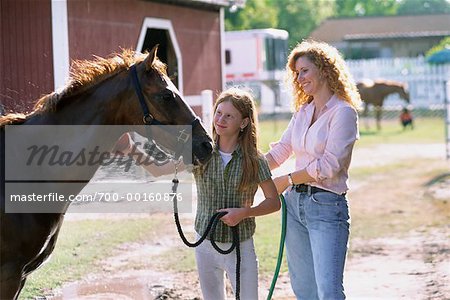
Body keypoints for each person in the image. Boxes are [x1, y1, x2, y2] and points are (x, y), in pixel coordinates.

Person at [115, 87, 280, 300]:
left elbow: (273, 202)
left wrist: (243, 213)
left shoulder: (255, 160)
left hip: (241, 247)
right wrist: (130, 148)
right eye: (218, 113)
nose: (221, 119)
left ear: (244, 123)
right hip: (205, 245)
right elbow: (158, 168)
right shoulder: (201, 152)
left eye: (229, 115)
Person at [265, 39, 361, 300]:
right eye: (296, 73)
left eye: (304, 70)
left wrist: (286, 179)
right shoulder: (303, 113)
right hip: (294, 205)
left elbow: (330, 165)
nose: (299, 78)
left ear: (324, 69)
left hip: (327, 207)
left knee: (328, 292)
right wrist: (245, 165)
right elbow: (281, 151)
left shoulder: (343, 113)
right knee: (305, 290)